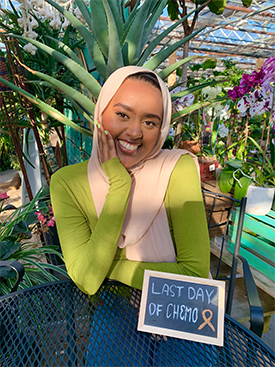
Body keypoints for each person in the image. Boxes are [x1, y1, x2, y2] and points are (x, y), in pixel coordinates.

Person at [50, 65, 210, 297]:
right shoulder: (67, 183)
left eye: (150, 123)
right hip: (112, 318)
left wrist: (107, 267)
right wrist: (120, 185)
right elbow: (87, 281)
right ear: (100, 113)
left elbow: (194, 275)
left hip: (177, 315)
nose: (135, 132)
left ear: (161, 129)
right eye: (122, 115)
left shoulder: (176, 168)